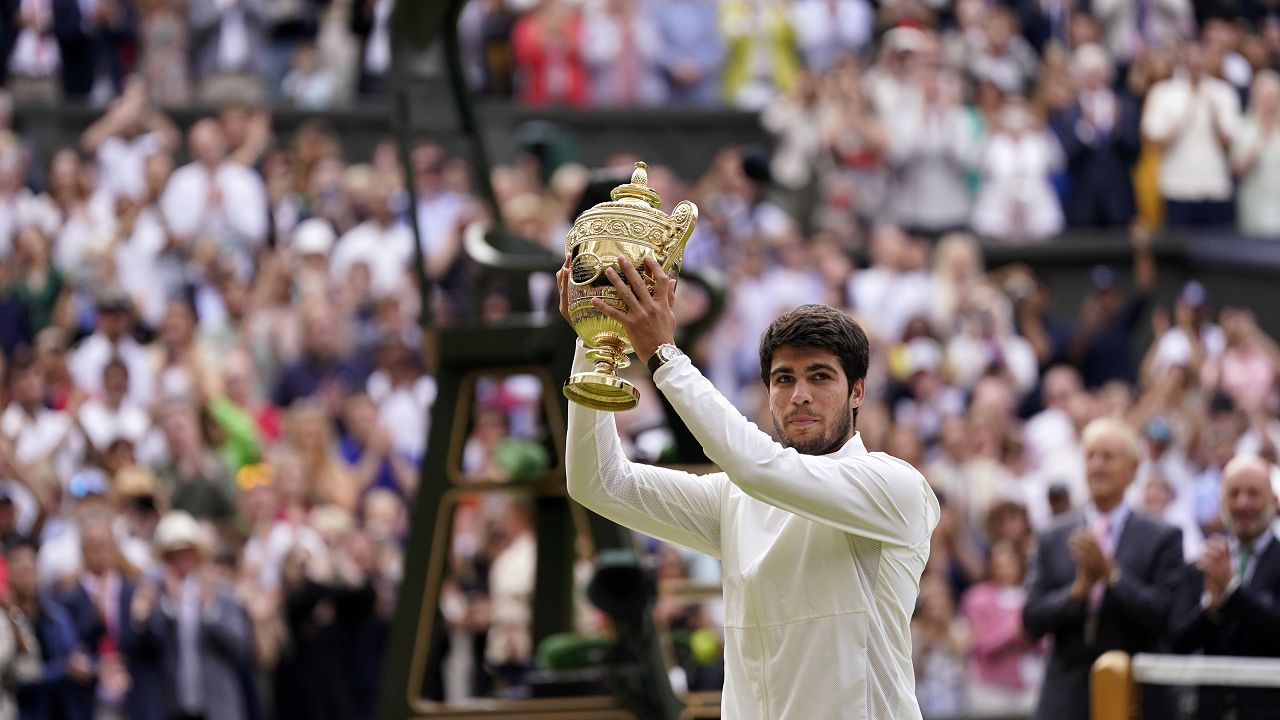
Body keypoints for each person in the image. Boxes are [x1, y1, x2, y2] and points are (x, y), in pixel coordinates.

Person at [558, 250, 939, 719]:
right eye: (784, 379)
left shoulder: (897, 487)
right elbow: (598, 481)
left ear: (857, 390)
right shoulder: (735, 497)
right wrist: (594, 339)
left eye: (820, 377)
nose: (799, 395)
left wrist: (664, 355)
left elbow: (757, 467)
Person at [1023, 418, 1184, 720]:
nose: (1098, 465)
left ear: (1133, 469)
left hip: (1137, 699)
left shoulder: (1162, 537)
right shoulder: (1053, 537)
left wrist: (1113, 576)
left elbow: (1166, 619)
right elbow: (1031, 620)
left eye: (1108, 457)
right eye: (1091, 456)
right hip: (1064, 701)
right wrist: (1076, 594)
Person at [1169, 454, 1280, 720]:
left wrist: (1231, 593)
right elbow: (1176, 640)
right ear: (1221, 504)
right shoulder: (1202, 566)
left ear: (1274, 502)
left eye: (1254, 493)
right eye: (1234, 494)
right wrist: (1211, 607)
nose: (1243, 503)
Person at [126, 511, 253, 720]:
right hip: (173, 708)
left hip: (217, 708)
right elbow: (148, 648)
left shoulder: (221, 593)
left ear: (197, 555)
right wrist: (165, 608)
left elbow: (240, 646)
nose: (180, 562)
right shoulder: (155, 596)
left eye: (186, 553)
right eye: (173, 556)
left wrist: (210, 609)